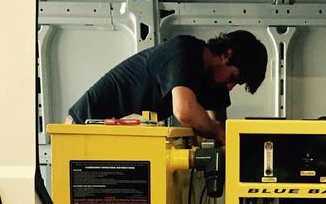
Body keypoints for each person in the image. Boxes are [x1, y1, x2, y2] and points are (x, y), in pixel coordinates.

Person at [65, 30, 268, 145]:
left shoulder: (212, 81)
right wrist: (218, 134)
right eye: (233, 78)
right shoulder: (184, 52)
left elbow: (220, 126)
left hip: (114, 138)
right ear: (226, 55)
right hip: (83, 126)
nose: (230, 87)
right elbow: (185, 111)